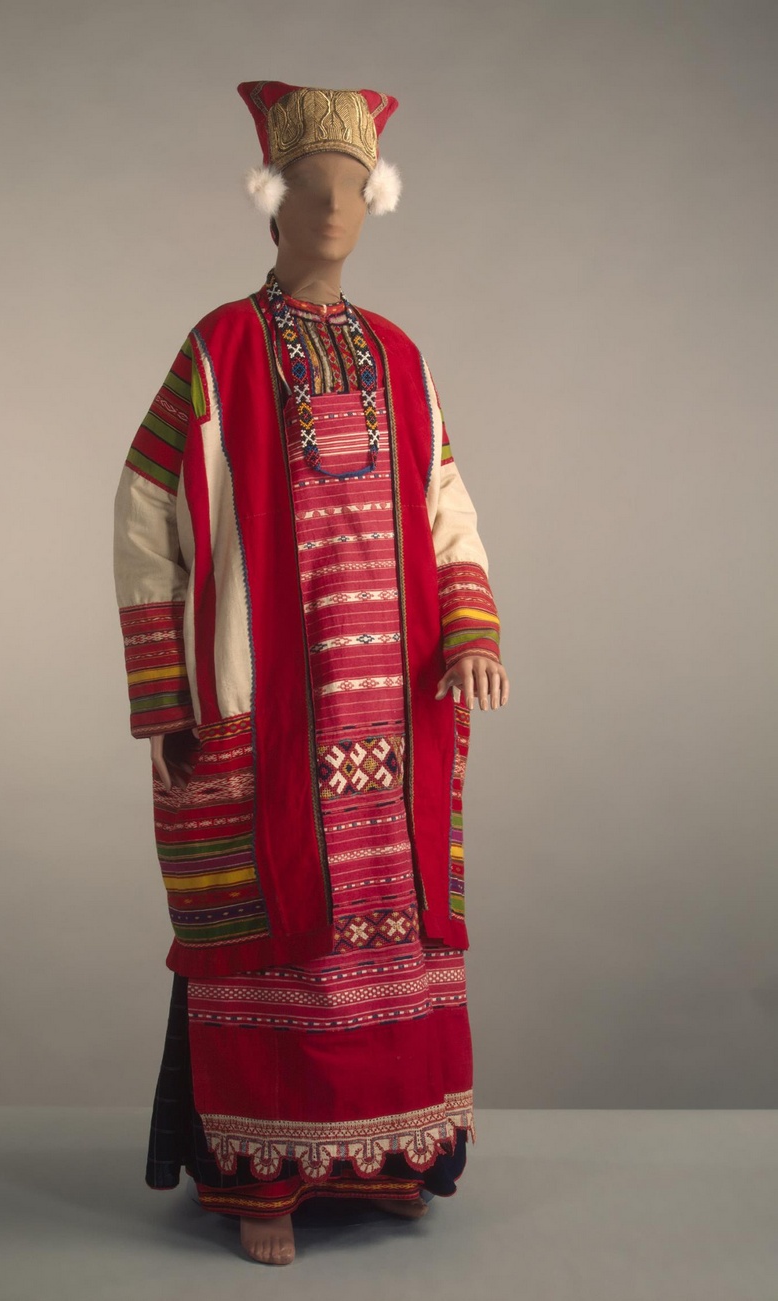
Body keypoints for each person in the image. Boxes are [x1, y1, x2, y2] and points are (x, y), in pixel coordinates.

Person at [113, 79, 510, 1266]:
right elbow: (146, 508)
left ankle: (387, 1157)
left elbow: (445, 501)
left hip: (395, 707)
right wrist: (166, 693)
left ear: (376, 202)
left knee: (392, 938)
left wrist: (472, 628)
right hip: (270, 706)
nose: (334, 210)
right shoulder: (219, 348)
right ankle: (264, 1180)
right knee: (278, 931)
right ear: (271, 202)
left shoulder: (401, 356)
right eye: (312, 189)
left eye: (353, 190)